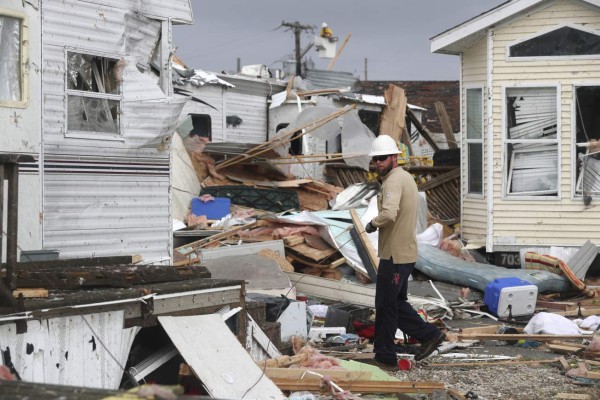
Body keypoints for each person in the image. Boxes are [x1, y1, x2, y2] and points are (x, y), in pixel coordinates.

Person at [364, 134, 445, 369]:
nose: (378, 163)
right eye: (376, 159)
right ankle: (429, 335)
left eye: (382, 158)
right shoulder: (406, 177)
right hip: (404, 253)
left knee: (386, 305)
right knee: (396, 303)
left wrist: (372, 224)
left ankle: (385, 355)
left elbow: (388, 213)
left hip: (395, 255)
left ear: (393, 158)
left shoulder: (393, 181)